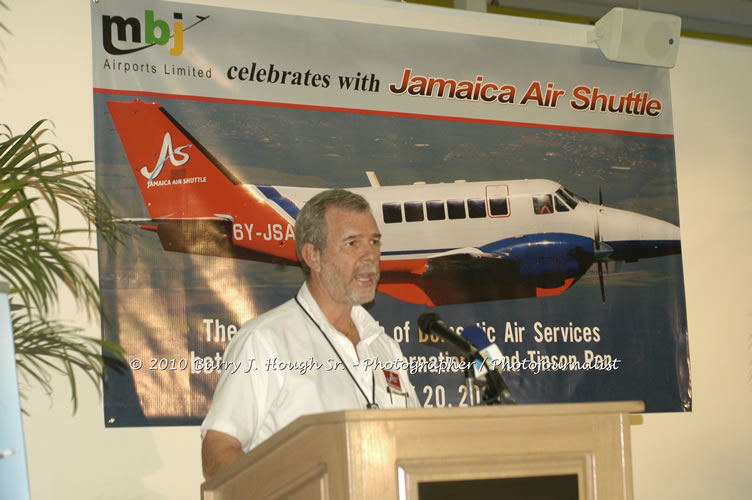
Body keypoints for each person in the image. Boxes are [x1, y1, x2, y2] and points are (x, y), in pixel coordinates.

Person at [200, 189, 420, 476]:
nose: (370, 256)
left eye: (374, 242)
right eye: (353, 243)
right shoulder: (265, 341)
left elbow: (417, 443)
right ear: (312, 256)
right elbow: (218, 450)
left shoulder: (384, 347)